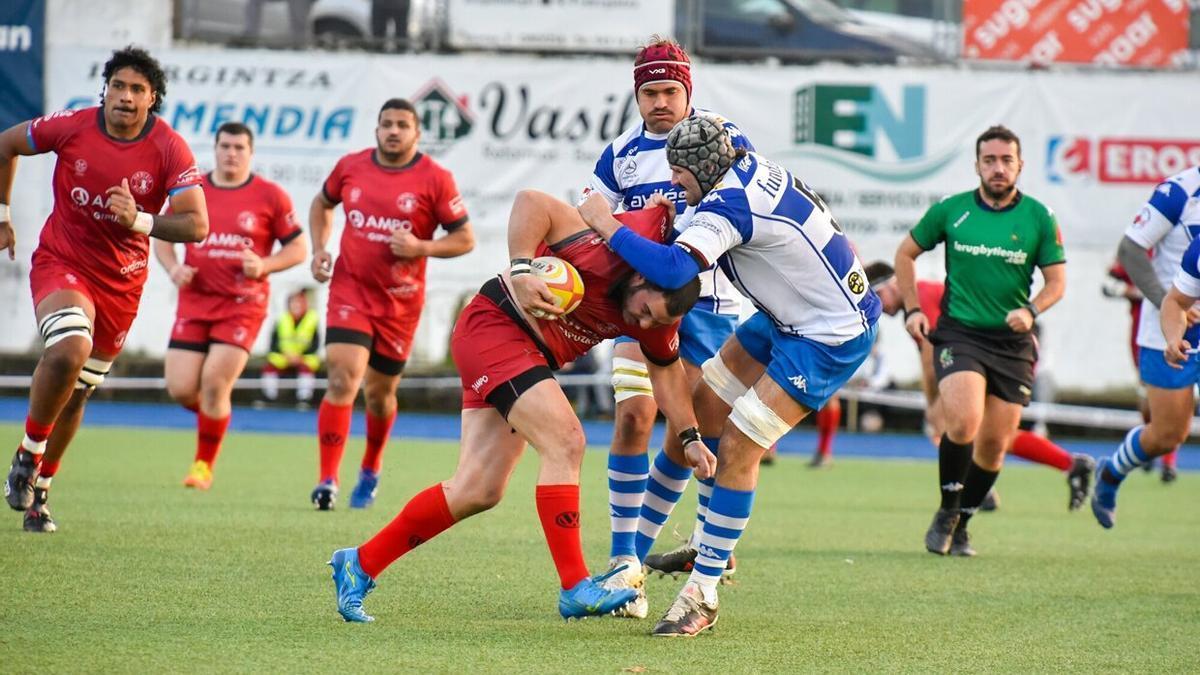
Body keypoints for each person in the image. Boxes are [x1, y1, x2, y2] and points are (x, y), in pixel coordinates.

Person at [326, 196, 707, 623]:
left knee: (478, 489)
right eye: (645, 312)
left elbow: (667, 372)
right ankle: (575, 586)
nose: (644, 326)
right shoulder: (602, 248)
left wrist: (690, 437)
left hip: (526, 356)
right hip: (496, 326)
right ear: (639, 278)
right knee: (566, 441)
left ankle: (358, 564)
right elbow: (531, 203)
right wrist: (523, 269)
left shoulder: (658, 315)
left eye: (656, 322)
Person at [578, 115, 879, 636]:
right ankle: (629, 568)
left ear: (705, 168)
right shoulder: (739, 166)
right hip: (786, 317)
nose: (674, 183)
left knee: (740, 445)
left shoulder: (731, 204)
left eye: (679, 174)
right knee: (690, 421)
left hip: (829, 335)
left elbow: (674, 272)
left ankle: (704, 593)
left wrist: (606, 223)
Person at [576, 36, 751, 608]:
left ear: (688, 90)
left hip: (713, 301)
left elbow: (747, 212)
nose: (659, 102)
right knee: (632, 417)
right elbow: (591, 219)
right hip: (641, 308)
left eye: (669, 90)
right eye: (648, 92)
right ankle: (624, 562)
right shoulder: (619, 153)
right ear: (636, 94)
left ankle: (706, 549)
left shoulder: (721, 140)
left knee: (695, 432)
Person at [1, 47, 207, 532]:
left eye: (137, 89)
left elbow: (197, 225)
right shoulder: (73, 125)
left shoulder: (169, 147)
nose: (126, 96)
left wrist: (138, 218)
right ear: (106, 90)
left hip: (121, 283)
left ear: (152, 99)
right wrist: (3, 214)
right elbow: (5, 145)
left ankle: (42, 492)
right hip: (62, 262)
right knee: (71, 348)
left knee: (77, 394)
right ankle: (28, 454)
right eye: (118, 85)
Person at [893, 125, 1066, 557]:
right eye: (989, 160)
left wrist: (1032, 310)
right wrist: (914, 309)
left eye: (1006, 160)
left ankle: (964, 522)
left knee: (994, 445)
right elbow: (905, 255)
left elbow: (1057, 282)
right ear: (977, 166)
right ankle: (947, 509)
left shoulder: (1039, 218)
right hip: (961, 333)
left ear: (1020, 166)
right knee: (964, 423)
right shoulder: (952, 211)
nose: (998, 168)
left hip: (1012, 342)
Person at [309, 98, 474, 511]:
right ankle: (327, 479)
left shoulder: (435, 178)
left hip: (399, 303)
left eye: (403, 124)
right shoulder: (351, 167)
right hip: (350, 290)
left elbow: (464, 238)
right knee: (343, 379)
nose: (394, 131)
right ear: (377, 130)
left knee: (380, 396)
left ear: (417, 133)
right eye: (387, 124)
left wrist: (422, 246)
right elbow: (322, 204)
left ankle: (370, 468)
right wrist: (319, 248)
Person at [867, 262, 1093, 512]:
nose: (877, 305)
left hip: (1004, 350)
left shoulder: (919, 297)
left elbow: (933, 356)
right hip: (996, 350)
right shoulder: (917, 302)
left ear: (897, 283)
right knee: (994, 435)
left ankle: (974, 490)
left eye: (878, 295)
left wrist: (932, 404)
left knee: (954, 424)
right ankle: (1070, 465)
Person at [156, 121, 307, 490]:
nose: (231, 153)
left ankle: (203, 467)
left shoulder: (270, 196)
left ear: (250, 153)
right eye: (225, 146)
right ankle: (217, 418)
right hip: (194, 303)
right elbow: (161, 235)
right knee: (179, 388)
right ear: (215, 148)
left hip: (243, 305)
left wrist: (265, 265)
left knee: (213, 382)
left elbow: (298, 247)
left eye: (239, 147)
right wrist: (174, 268)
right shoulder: (193, 190)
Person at [1092, 164, 1200, 528]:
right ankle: (1111, 473)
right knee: (1167, 435)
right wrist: (1165, 303)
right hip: (1169, 327)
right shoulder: (1179, 192)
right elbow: (1130, 250)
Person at [1103, 261, 1178, 482]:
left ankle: (1169, 462)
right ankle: (1149, 447)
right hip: (1146, 335)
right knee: (1149, 394)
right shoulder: (1140, 247)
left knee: (1180, 396)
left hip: (1185, 333)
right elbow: (1110, 284)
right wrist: (1141, 293)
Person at [261, 288, 321, 407]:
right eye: (293, 302)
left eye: (299, 302)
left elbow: (315, 344)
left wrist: (299, 357)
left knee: (307, 369)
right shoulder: (282, 319)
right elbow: (273, 343)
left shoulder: (312, 319)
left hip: (303, 357)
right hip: (284, 357)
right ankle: (269, 397)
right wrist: (286, 355)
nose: (296, 305)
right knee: (269, 368)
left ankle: (304, 399)